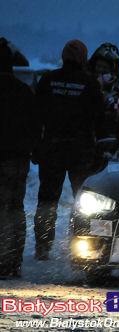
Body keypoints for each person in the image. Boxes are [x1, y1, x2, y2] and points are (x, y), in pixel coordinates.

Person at [33, 40, 106, 260]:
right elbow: (99, 119)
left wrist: (37, 147)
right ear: (83, 59)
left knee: (47, 201)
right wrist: (102, 149)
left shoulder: (48, 80)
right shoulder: (89, 83)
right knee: (84, 203)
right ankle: (83, 246)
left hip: (52, 149)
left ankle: (43, 247)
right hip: (80, 151)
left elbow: (36, 116)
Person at [0, 38, 37, 277]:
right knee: (15, 208)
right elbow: (34, 124)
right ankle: (13, 262)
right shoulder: (23, 90)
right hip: (18, 159)